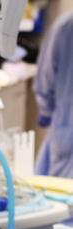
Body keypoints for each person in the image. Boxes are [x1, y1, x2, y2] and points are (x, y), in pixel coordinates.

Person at [34, 11, 73, 177]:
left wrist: (46, 110)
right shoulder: (66, 26)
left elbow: (46, 75)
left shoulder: (66, 25)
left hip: (66, 129)